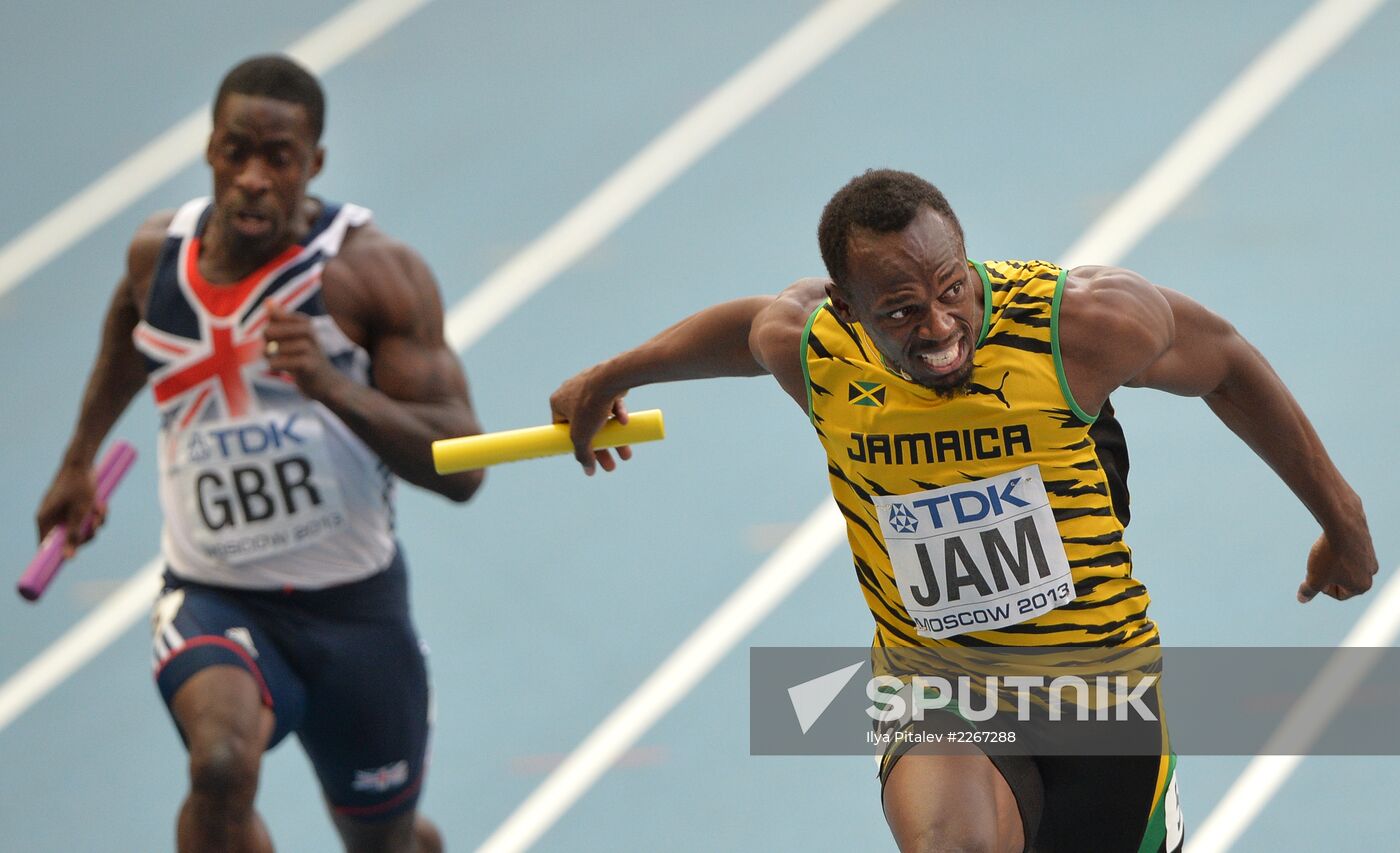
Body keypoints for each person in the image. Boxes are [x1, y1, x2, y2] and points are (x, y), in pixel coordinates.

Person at [548, 169, 1378, 852]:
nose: (941, 327)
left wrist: (1341, 521)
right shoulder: (817, 352)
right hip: (936, 687)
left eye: (953, 290)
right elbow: (745, 329)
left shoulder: (1080, 325)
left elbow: (1224, 362)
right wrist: (614, 374)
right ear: (845, 306)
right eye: (902, 311)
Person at [35, 55, 482, 853]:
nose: (251, 177)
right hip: (216, 592)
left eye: (277, 158)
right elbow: (129, 333)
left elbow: (464, 468)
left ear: (313, 165)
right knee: (219, 764)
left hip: (354, 608)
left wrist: (332, 385)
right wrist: (80, 456)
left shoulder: (372, 275)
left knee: (385, 843)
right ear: (209, 149)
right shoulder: (157, 259)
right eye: (235, 152)